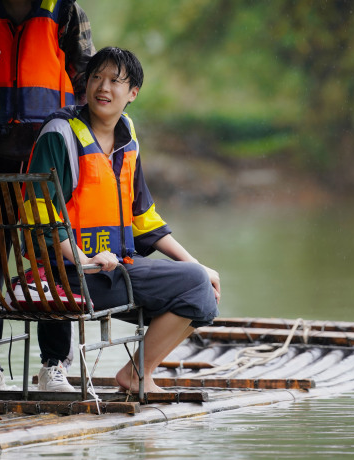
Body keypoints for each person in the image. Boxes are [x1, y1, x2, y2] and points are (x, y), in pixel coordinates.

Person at [25, 47, 221, 393]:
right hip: (72, 273)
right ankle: (134, 374)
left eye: (115, 81)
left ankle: (137, 373)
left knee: (202, 293)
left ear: (133, 93)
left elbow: (143, 217)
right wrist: (85, 260)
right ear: (85, 85)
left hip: (116, 270)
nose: (103, 87)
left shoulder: (127, 136)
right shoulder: (60, 134)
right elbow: (39, 217)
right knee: (195, 286)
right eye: (96, 78)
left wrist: (197, 264)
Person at [0, 0, 94, 391]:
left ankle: (53, 364)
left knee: (51, 256)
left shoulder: (64, 11)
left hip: (47, 156)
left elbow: (88, 80)